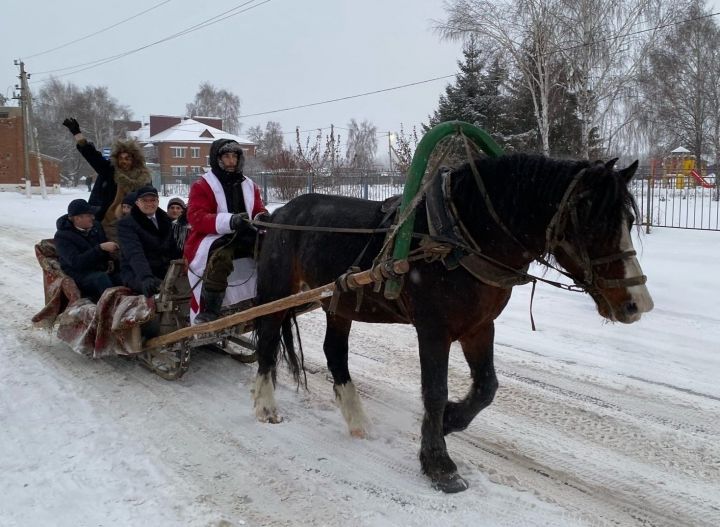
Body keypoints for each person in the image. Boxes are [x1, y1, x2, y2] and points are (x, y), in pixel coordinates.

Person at [184, 139, 269, 324]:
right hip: (214, 236)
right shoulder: (202, 185)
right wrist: (229, 220)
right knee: (220, 259)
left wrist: (262, 217)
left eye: (234, 157)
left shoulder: (249, 185)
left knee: (271, 250)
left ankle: (267, 295)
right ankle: (210, 310)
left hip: (245, 234)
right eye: (226, 157)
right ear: (217, 159)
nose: (231, 161)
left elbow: (257, 209)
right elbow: (196, 217)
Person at [62, 117, 151, 243]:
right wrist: (77, 134)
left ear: (134, 160)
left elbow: (150, 201)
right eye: (121, 158)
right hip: (108, 222)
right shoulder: (110, 171)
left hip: (134, 224)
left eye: (127, 158)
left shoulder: (143, 179)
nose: (124, 161)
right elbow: (91, 155)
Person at [116, 186, 181, 299]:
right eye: (145, 200)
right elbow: (134, 253)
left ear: (158, 201)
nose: (149, 204)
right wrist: (146, 277)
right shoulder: (127, 224)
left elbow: (172, 247)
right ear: (137, 202)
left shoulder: (164, 219)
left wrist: (183, 262)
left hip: (164, 270)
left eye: (153, 200)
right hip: (138, 272)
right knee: (158, 292)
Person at [54, 198, 120, 303]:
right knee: (101, 279)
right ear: (77, 218)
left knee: (123, 272)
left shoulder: (96, 226)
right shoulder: (62, 236)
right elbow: (76, 262)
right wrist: (100, 248)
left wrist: (111, 258)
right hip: (80, 275)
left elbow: (105, 251)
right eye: (89, 215)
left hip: (100, 268)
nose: (93, 218)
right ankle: (110, 309)